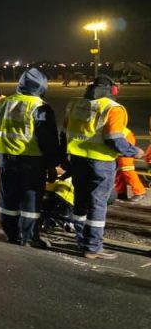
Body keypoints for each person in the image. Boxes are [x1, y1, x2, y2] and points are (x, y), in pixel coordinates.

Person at [63, 75, 145, 259]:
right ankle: (93, 247)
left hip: (77, 160)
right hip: (100, 162)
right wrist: (133, 151)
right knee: (97, 204)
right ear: (112, 90)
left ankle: (81, 240)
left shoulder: (76, 104)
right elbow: (113, 138)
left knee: (80, 201)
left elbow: (65, 131)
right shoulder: (113, 108)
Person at [0, 68, 62, 247]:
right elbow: (48, 141)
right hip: (31, 162)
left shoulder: (3, 103)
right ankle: (29, 237)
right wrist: (53, 164)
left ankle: (11, 234)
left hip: (6, 160)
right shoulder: (40, 107)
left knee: (8, 200)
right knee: (30, 202)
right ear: (41, 87)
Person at [114, 128, 146, 202]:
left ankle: (139, 191)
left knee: (126, 166)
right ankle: (121, 192)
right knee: (120, 167)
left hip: (123, 138)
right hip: (118, 138)